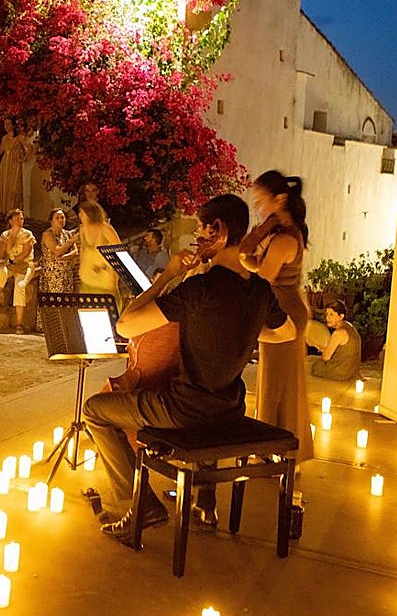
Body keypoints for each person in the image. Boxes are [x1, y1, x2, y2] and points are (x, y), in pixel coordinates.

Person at [83, 194, 295, 537]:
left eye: (201, 229)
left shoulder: (200, 288)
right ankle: (203, 503)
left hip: (182, 410)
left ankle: (138, 505)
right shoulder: (259, 290)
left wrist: (167, 274)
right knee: (204, 401)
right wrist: (248, 332)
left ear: (219, 231)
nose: (197, 237)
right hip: (229, 410)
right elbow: (288, 332)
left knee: (95, 410)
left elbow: (125, 325)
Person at [239, 170, 315, 464]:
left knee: (282, 387)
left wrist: (251, 258)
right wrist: (258, 236)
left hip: (284, 313)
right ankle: (272, 449)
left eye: (261, 200)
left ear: (279, 198)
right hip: (278, 308)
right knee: (273, 383)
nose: (258, 206)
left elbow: (264, 276)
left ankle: (286, 452)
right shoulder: (277, 232)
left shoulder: (285, 237)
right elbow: (254, 261)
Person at [0, 208, 36, 333]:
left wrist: (10, 261)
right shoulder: (5, 235)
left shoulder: (27, 235)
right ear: (10, 221)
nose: (20, 221)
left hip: (25, 266)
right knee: (1, 272)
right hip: (10, 265)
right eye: (17, 218)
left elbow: (26, 253)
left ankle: (19, 323)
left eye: (21, 218)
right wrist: (4, 246)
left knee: (20, 286)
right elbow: (0, 254)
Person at [76, 201, 121, 309]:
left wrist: (109, 268)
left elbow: (119, 252)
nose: (79, 216)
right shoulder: (82, 229)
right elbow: (83, 250)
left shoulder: (105, 228)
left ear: (90, 214)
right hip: (87, 278)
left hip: (103, 279)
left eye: (82, 213)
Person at [306, 300, 363, 381]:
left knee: (310, 362)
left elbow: (325, 357)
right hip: (352, 372)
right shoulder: (350, 327)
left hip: (340, 373)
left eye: (331, 314)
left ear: (341, 316)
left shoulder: (339, 333)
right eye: (327, 314)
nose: (327, 318)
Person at [38, 208, 78, 295]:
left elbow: (75, 252)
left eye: (62, 217)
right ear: (51, 221)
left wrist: (63, 257)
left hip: (67, 276)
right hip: (52, 276)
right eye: (57, 217)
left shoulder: (67, 234)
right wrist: (70, 242)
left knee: (66, 305)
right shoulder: (48, 234)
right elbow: (57, 251)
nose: (60, 220)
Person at [0, 117, 26, 215]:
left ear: (13, 125)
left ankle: (13, 210)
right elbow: (0, 151)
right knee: (4, 185)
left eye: (8, 124)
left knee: (13, 187)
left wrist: (23, 159)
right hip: (5, 164)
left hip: (14, 165)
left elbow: (29, 148)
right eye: (5, 124)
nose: (6, 126)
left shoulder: (19, 138)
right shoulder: (4, 138)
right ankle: (3, 211)